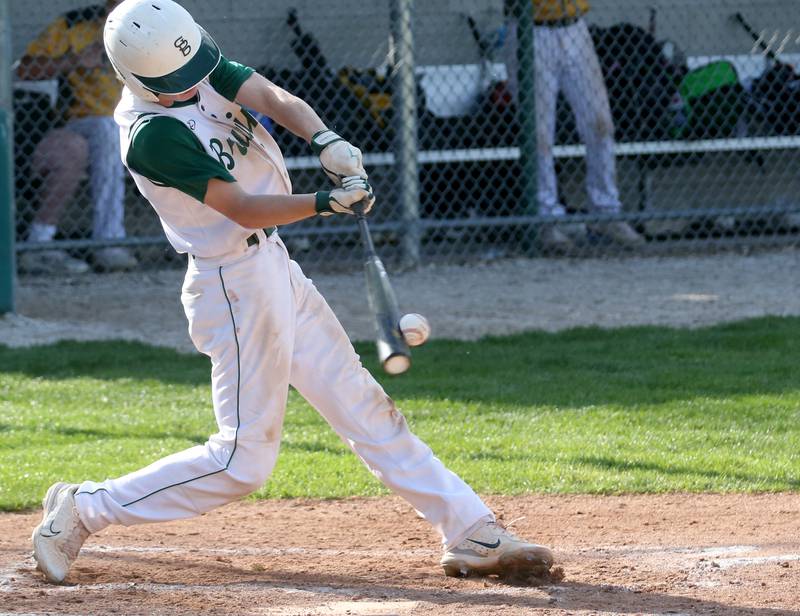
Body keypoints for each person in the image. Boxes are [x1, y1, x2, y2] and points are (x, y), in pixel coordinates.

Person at [30, 0, 554, 584]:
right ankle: (83, 508)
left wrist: (325, 139)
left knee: (364, 405)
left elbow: (272, 98)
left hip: (273, 266)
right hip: (232, 285)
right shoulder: (151, 134)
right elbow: (241, 207)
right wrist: (326, 201)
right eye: (175, 85)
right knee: (241, 461)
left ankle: (469, 528)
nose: (192, 85)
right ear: (136, 79)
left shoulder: (189, 64)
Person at [503, 0, 645, 252]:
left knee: (600, 124)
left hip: (574, 27)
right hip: (531, 31)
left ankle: (606, 211)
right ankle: (545, 218)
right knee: (539, 133)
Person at [15, 0, 138, 274]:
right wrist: (74, 60)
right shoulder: (74, 25)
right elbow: (24, 69)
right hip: (82, 123)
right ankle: (109, 242)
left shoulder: (156, 30)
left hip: (141, 124)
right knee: (107, 129)